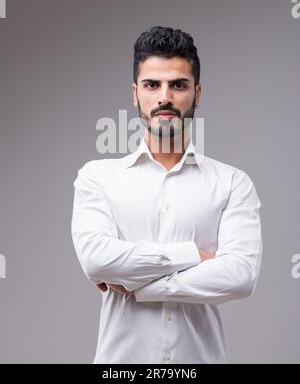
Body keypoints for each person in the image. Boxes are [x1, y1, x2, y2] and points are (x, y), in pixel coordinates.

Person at [71, 26, 262, 364]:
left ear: (197, 93)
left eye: (178, 85)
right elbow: (96, 259)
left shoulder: (233, 183)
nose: (164, 97)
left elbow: (241, 275)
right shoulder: (98, 177)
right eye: (151, 85)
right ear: (135, 93)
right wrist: (193, 255)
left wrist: (139, 285)